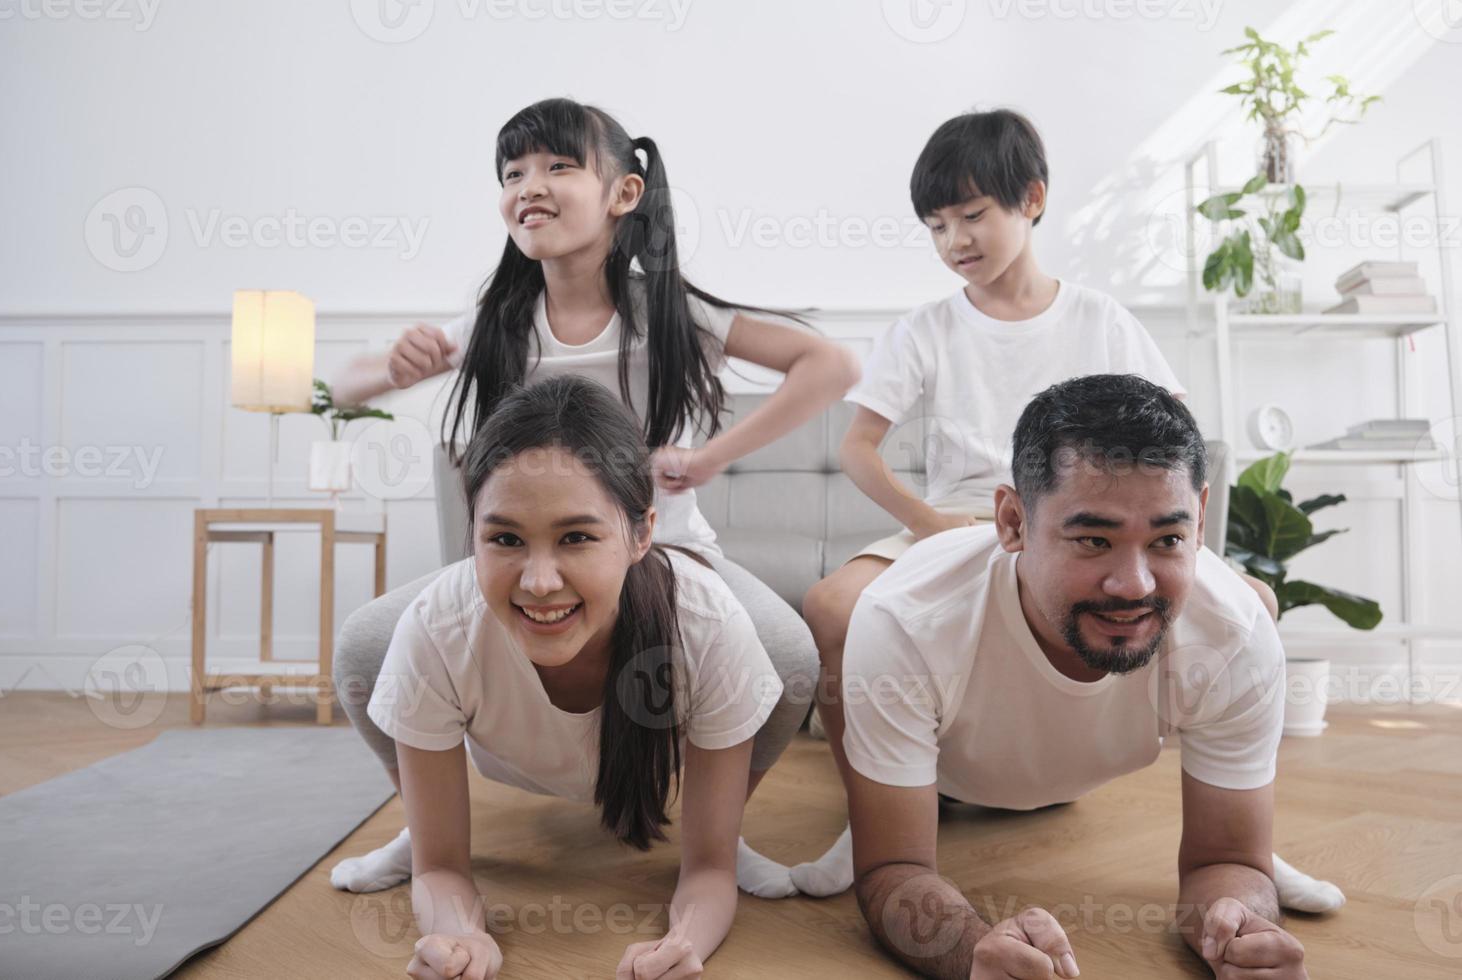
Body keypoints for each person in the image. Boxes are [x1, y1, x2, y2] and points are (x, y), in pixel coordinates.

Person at [793, 109, 1340, 915]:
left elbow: (1174, 453)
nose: (955, 241)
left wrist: (1172, 547)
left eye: (972, 215)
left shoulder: (1098, 317)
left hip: (1093, 518)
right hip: (959, 516)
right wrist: (929, 522)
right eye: (936, 226)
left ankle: (1244, 842)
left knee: (1253, 604)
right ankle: (865, 821)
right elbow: (857, 448)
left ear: (1033, 200)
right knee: (832, 603)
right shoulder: (926, 329)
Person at [329, 97, 858, 899]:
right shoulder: (498, 321)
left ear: (624, 193)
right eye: (512, 173)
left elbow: (830, 365)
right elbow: (339, 386)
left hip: (667, 553)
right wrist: (394, 366)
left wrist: (709, 457)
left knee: (786, 659)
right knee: (365, 648)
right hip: (533, 556)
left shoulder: (670, 313)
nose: (528, 186)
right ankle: (425, 827)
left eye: (556, 166)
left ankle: (719, 835)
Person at [816, 374, 1312, 979]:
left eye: (1167, 539)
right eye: (1093, 539)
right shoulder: (907, 621)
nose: (1134, 585)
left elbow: (1227, 859)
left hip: (1069, 771)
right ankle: (871, 785)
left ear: (1201, 519)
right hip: (945, 773)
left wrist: (1240, 925)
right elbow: (892, 868)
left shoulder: (1233, 629)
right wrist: (973, 952)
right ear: (1012, 522)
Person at [363, 376, 786, 980]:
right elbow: (440, 868)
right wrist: (459, 937)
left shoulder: (708, 628)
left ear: (642, 533)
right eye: (505, 538)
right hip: (501, 752)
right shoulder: (436, 627)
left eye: (576, 538)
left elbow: (710, 870)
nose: (539, 582)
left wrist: (683, 943)